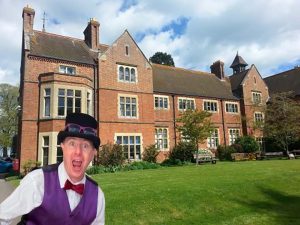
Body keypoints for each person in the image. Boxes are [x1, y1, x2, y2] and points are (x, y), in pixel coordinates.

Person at [0, 113, 105, 225]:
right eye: (72, 143)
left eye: (85, 146)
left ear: (93, 153)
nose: (78, 152)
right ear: (62, 146)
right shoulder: (38, 181)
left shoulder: (97, 195)